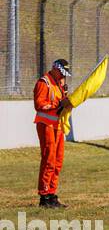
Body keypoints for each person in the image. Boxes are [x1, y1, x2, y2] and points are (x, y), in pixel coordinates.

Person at [33, 59, 73, 208]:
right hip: (46, 125)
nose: (63, 77)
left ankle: (52, 193)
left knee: (57, 161)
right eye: (62, 74)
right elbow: (39, 105)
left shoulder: (59, 83)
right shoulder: (44, 82)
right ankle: (44, 197)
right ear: (55, 69)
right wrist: (57, 104)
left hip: (57, 126)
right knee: (48, 159)